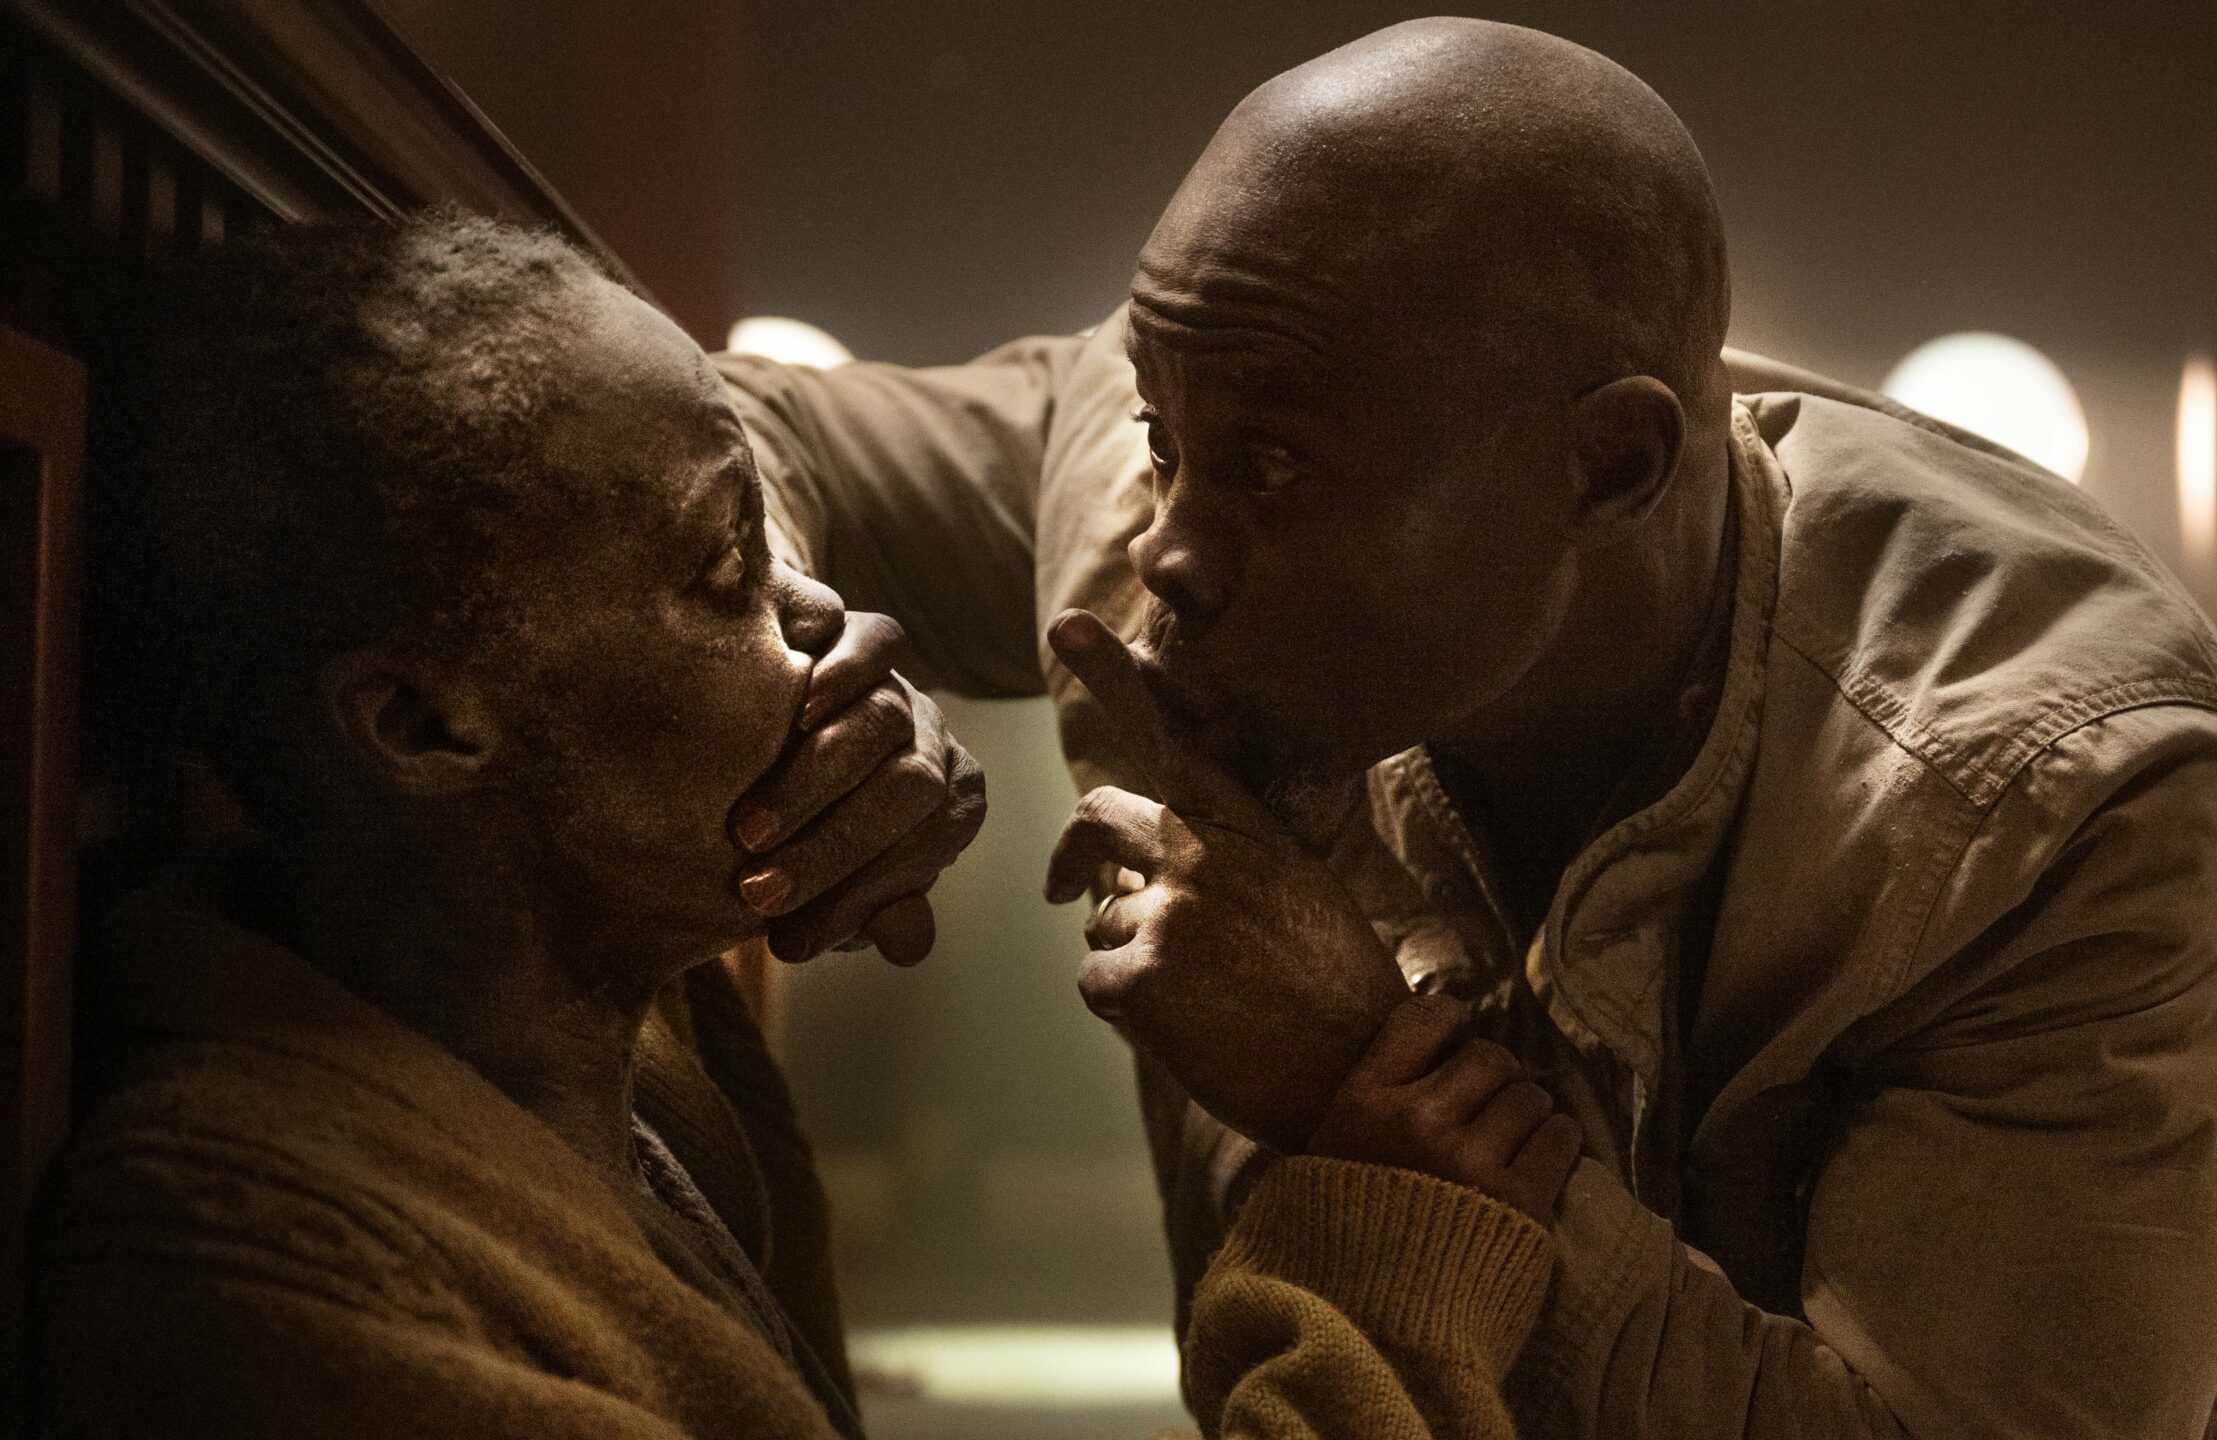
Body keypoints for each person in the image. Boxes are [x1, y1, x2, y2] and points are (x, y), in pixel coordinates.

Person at [717, 18, 2217, 1438]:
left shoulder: (2053, 788)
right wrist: (793, 675)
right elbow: (718, 433)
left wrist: (1367, 1085)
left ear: (1606, 465)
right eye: (1165, 424)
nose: (1170, 549)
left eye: (1271, 467)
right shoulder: (1185, 459)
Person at [37, 207, 1590, 1440]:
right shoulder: (256, 1264)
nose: (835, 623)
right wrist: (1383, 1281)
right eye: (728, 567)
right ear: (423, 725)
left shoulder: (600, 1038)